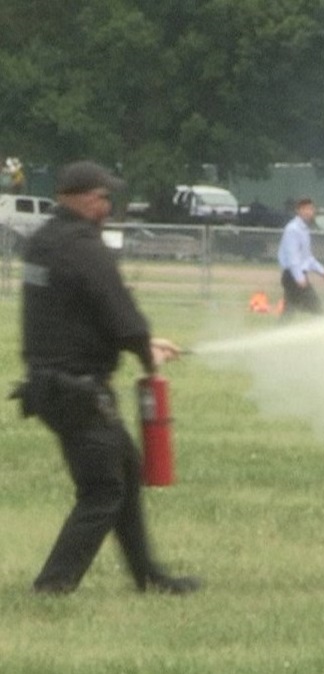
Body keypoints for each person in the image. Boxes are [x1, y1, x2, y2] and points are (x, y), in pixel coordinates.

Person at [14, 160, 202, 595]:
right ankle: (53, 585)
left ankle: (148, 577)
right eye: (102, 198)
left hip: (48, 384)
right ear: (80, 199)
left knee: (126, 472)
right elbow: (120, 312)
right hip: (77, 389)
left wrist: (143, 343)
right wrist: (145, 351)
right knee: (102, 489)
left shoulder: (44, 243)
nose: (108, 206)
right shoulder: (85, 248)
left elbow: (78, 312)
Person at [277, 197, 324, 319]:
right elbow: (292, 256)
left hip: (295, 275)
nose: (308, 212)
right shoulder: (293, 229)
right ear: (298, 210)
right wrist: (299, 277)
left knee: (289, 311)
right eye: (305, 209)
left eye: (310, 209)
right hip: (292, 276)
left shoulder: (304, 229)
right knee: (317, 308)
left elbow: (307, 257)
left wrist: (321, 270)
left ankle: (280, 330)